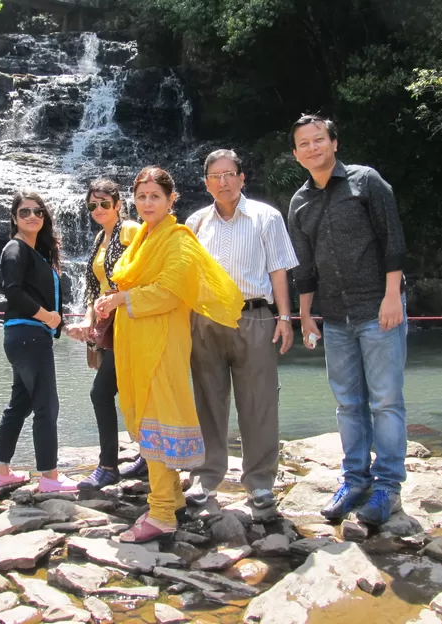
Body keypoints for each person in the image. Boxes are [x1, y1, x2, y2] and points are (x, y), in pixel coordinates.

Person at [94, 167, 243, 542]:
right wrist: (110, 301)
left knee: (156, 418)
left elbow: (171, 291)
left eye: (155, 197)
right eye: (141, 197)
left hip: (161, 342)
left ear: (171, 199)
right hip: (136, 340)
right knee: (147, 414)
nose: (147, 203)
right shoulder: (143, 237)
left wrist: (124, 298)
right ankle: (173, 497)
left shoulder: (178, 239)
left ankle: (160, 514)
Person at [286, 114, 408, 526]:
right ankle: (355, 480)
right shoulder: (299, 202)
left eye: (319, 139)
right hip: (334, 317)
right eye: (304, 143)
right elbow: (304, 267)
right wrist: (304, 314)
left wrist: (393, 296)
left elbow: (393, 240)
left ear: (334, 143)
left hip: (378, 308)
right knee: (347, 404)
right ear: (295, 154)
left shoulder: (366, 181)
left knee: (386, 401)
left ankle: (387, 487)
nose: (312, 148)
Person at [185, 149, 299, 509]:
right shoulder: (195, 223)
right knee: (207, 399)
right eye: (215, 176)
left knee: (259, 401)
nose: (224, 181)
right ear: (206, 183)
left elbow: (279, 269)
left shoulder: (266, 217)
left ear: (242, 178)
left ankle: (260, 480)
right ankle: (206, 476)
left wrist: (285, 317)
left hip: (256, 317)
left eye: (230, 174)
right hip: (205, 320)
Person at [0, 191, 78, 493]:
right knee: (46, 405)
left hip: (26, 335)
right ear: (14, 217)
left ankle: (0, 471)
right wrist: (47, 317)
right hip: (27, 335)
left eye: (38, 212)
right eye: (25, 212)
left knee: (21, 403)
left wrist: (62, 326)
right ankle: (50, 478)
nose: (32, 217)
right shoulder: (15, 249)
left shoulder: (34, 252)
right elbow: (13, 293)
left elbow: (40, 301)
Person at [66, 179, 142, 490]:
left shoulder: (131, 232)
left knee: (104, 393)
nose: (98, 209)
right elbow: (93, 289)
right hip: (110, 328)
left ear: (118, 204)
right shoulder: (101, 237)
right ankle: (146, 459)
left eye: (104, 204)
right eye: (92, 205)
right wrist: (88, 322)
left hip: (133, 324)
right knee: (122, 393)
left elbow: (145, 274)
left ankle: (110, 465)